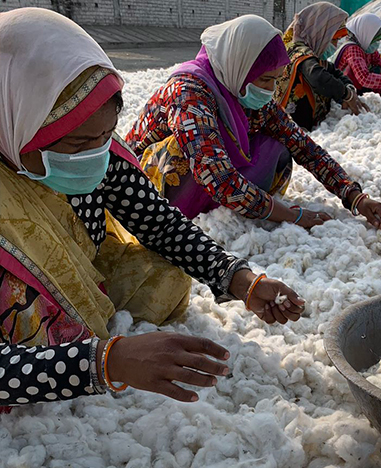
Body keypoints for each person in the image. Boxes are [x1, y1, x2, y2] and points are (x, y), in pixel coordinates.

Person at [0, 8, 305, 408]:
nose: (96, 155)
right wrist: (105, 363)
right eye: (76, 145)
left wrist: (240, 279)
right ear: (13, 123)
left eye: (105, 137)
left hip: (87, 271)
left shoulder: (99, 154)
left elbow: (159, 223)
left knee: (165, 275)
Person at [126, 15, 381, 230]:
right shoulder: (190, 93)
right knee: (186, 153)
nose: (271, 89)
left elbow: (303, 146)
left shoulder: (245, 91)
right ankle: (196, 209)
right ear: (240, 66)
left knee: (280, 146)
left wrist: (354, 196)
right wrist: (290, 215)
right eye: (265, 80)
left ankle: (239, 204)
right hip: (147, 184)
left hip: (214, 177)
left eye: (275, 80)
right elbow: (216, 176)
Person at [274, 2, 370, 131]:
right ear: (320, 33)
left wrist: (349, 88)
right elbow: (319, 78)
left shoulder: (314, 55)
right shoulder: (299, 52)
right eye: (333, 40)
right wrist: (346, 94)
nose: (335, 46)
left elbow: (335, 72)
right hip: (291, 129)